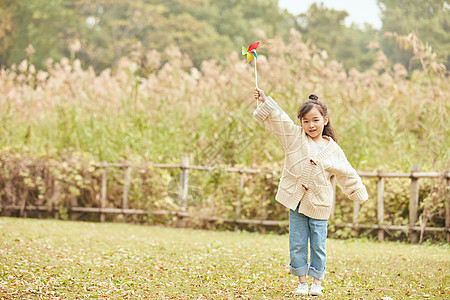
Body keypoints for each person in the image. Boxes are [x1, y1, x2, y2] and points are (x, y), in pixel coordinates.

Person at [252, 88, 368, 297]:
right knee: (296, 244)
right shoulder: (295, 137)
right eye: (305, 121)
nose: (310, 125)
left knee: (318, 245)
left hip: (319, 204)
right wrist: (265, 100)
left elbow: (347, 173)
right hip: (296, 202)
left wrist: (358, 192)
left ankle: (317, 282)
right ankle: (302, 282)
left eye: (315, 120)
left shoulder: (333, 150)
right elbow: (280, 120)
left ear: (325, 120)